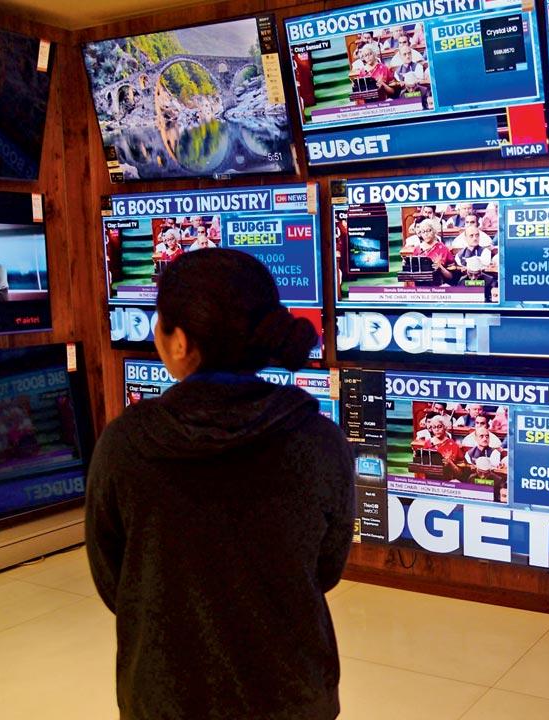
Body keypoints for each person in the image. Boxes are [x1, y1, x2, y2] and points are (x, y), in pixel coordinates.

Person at [85, 249, 353, 720]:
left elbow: (114, 582)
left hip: (163, 699)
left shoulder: (123, 444)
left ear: (181, 342)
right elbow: (326, 568)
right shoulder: (319, 437)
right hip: (294, 696)